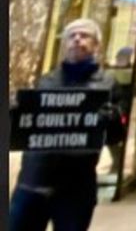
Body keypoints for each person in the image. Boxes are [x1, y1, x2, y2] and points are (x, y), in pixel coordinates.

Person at [9, 18, 125, 231]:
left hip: (75, 187)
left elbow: (116, 136)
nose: (77, 40)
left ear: (96, 45)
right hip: (33, 181)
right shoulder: (46, 81)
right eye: (72, 36)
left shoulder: (108, 85)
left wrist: (112, 119)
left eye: (84, 35)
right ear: (64, 44)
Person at [106, 46, 134, 175]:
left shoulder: (129, 74)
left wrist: (121, 110)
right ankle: (116, 163)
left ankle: (117, 163)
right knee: (111, 139)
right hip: (113, 111)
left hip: (119, 111)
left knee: (114, 138)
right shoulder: (112, 73)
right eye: (119, 58)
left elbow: (125, 96)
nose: (120, 60)